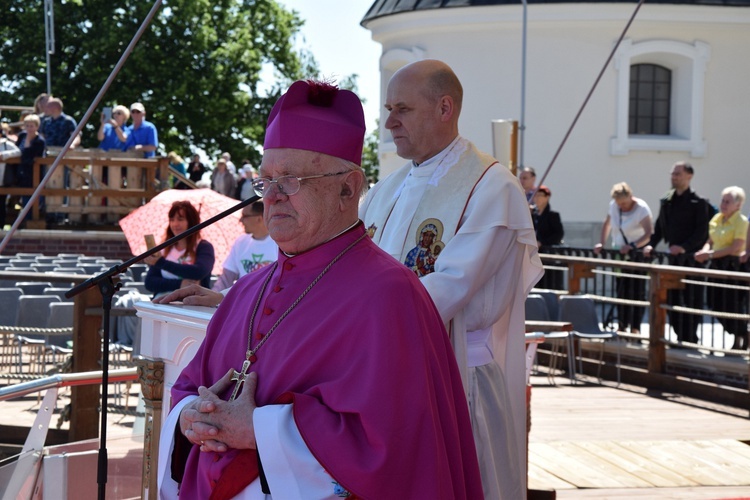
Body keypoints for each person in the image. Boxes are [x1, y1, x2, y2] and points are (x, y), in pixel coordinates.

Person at [155, 79, 482, 499]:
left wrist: (256, 429)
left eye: (290, 180)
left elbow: (393, 452)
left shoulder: (391, 296)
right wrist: (191, 418)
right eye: (265, 180)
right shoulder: (245, 292)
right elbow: (188, 386)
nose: (271, 197)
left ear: (348, 187)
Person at [359, 59, 543, 500]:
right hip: (383, 369)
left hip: (458, 378)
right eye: (388, 109)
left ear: (445, 108)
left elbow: (448, 287)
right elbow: (343, 269)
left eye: (402, 109)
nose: (389, 123)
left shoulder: (491, 187)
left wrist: (345, 317)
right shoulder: (386, 188)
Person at [644, 162, 712, 343]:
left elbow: (702, 232)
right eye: (672, 174)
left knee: (692, 299)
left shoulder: (699, 203)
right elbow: (659, 228)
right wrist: (651, 245)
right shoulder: (667, 201)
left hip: (692, 260)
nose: (674, 177)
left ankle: (690, 337)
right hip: (673, 260)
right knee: (672, 297)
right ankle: (679, 334)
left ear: (689, 176)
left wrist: (684, 247)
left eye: (678, 174)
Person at [594, 182, 653, 333]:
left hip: (637, 255)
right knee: (621, 290)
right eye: (619, 204)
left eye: (625, 203)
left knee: (637, 291)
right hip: (620, 254)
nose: (622, 207)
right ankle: (622, 324)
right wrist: (601, 242)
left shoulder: (641, 208)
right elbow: (607, 224)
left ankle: (635, 327)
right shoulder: (613, 206)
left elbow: (648, 234)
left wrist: (633, 245)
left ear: (631, 197)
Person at [694, 186, 748, 350]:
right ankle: (741, 333)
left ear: (738, 205)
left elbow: (735, 247)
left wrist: (709, 254)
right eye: (722, 200)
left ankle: (740, 337)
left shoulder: (741, 221)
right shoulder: (716, 218)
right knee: (713, 302)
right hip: (716, 265)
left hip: (732, 266)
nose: (723, 204)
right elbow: (710, 240)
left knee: (732, 305)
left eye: (728, 201)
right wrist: (704, 250)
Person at [144, 200, 215, 298]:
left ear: (191, 222)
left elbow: (199, 272)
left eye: (180, 219)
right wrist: (179, 284)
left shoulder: (204, 247)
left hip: (194, 305)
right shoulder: (164, 249)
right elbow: (150, 282)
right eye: (172, 219)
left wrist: (162, 263)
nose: (175, 224)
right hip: (163, 304)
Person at [211, 201, 276, 291]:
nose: (240, 220)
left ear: (259, 219)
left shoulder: (280, 243)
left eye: (245, 216)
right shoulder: (241, 242)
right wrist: (211, 295)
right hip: (244, 300)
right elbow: (226, 279)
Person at [532, 184, 565, 289]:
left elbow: (558, 234)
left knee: (549, 283)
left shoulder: (553, 215)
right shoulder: (533, 215)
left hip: (548, 255)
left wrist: (542, 242)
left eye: (540, 195)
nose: (537, 198)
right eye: (535, 195)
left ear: (547, 197)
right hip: (535, 256)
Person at [0, 123, 22, 227]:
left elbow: (18, 152)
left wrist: (4, 155)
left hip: (2, 180)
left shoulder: (5, 144)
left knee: (1, 204)